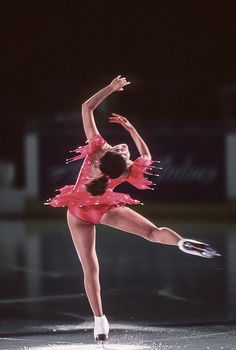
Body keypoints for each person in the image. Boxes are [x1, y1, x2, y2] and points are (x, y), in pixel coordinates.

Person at [45, 75, 220, 344]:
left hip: (78, 212)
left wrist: (110, 89)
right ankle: (181, 242)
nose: (123, 147)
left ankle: (99, 322)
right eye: (123, 149)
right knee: (153, 233)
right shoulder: (127, 170)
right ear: (122, 161)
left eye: (122, 148)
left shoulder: (97, 150)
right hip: (105, 209)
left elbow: (86, 107)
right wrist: (132, 130)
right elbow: (147, 156)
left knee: (90, 269)